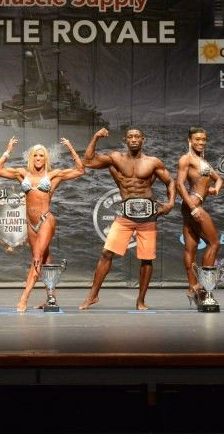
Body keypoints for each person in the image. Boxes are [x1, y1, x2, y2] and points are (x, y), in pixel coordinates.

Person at [79, 128, 175, 311]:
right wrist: (96, 137)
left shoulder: (153, 162)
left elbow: (170, 181)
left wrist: (170, 203)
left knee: (146, 259)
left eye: (137, 136)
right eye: (130, 137)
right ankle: (93, 295)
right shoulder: (115, 158)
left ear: (143, 139)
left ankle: (140, 301)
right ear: (125, 140)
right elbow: (88, 161)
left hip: (148, 216)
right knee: (106, 253)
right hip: (125, 216)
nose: (134, 139)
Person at [0, 136, 85, 311]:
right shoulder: (22, 174)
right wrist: (8, 150)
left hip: (45, 221)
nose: (38, 158)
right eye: (35, 155)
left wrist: (71, 148)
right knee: (45, 259)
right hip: (31, 224)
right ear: (31, 158)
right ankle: (51, 298)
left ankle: (24, 298)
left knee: (36, 258)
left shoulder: (53, 175)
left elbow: (80, 171)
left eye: (41, 155)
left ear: (46, 158)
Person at [176, 127, 223, 306]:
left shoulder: (202, 161)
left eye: (203, 139)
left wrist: (215, 188)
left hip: (194, 204)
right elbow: (179, 184)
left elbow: (219, 178)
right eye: (197, 139)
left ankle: (192, 288)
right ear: (189, 140)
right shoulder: (186, 159)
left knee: (191, 248)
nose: (201, 142)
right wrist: (193, 208)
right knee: (214, 243)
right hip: (193, 203)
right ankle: (203, 288)